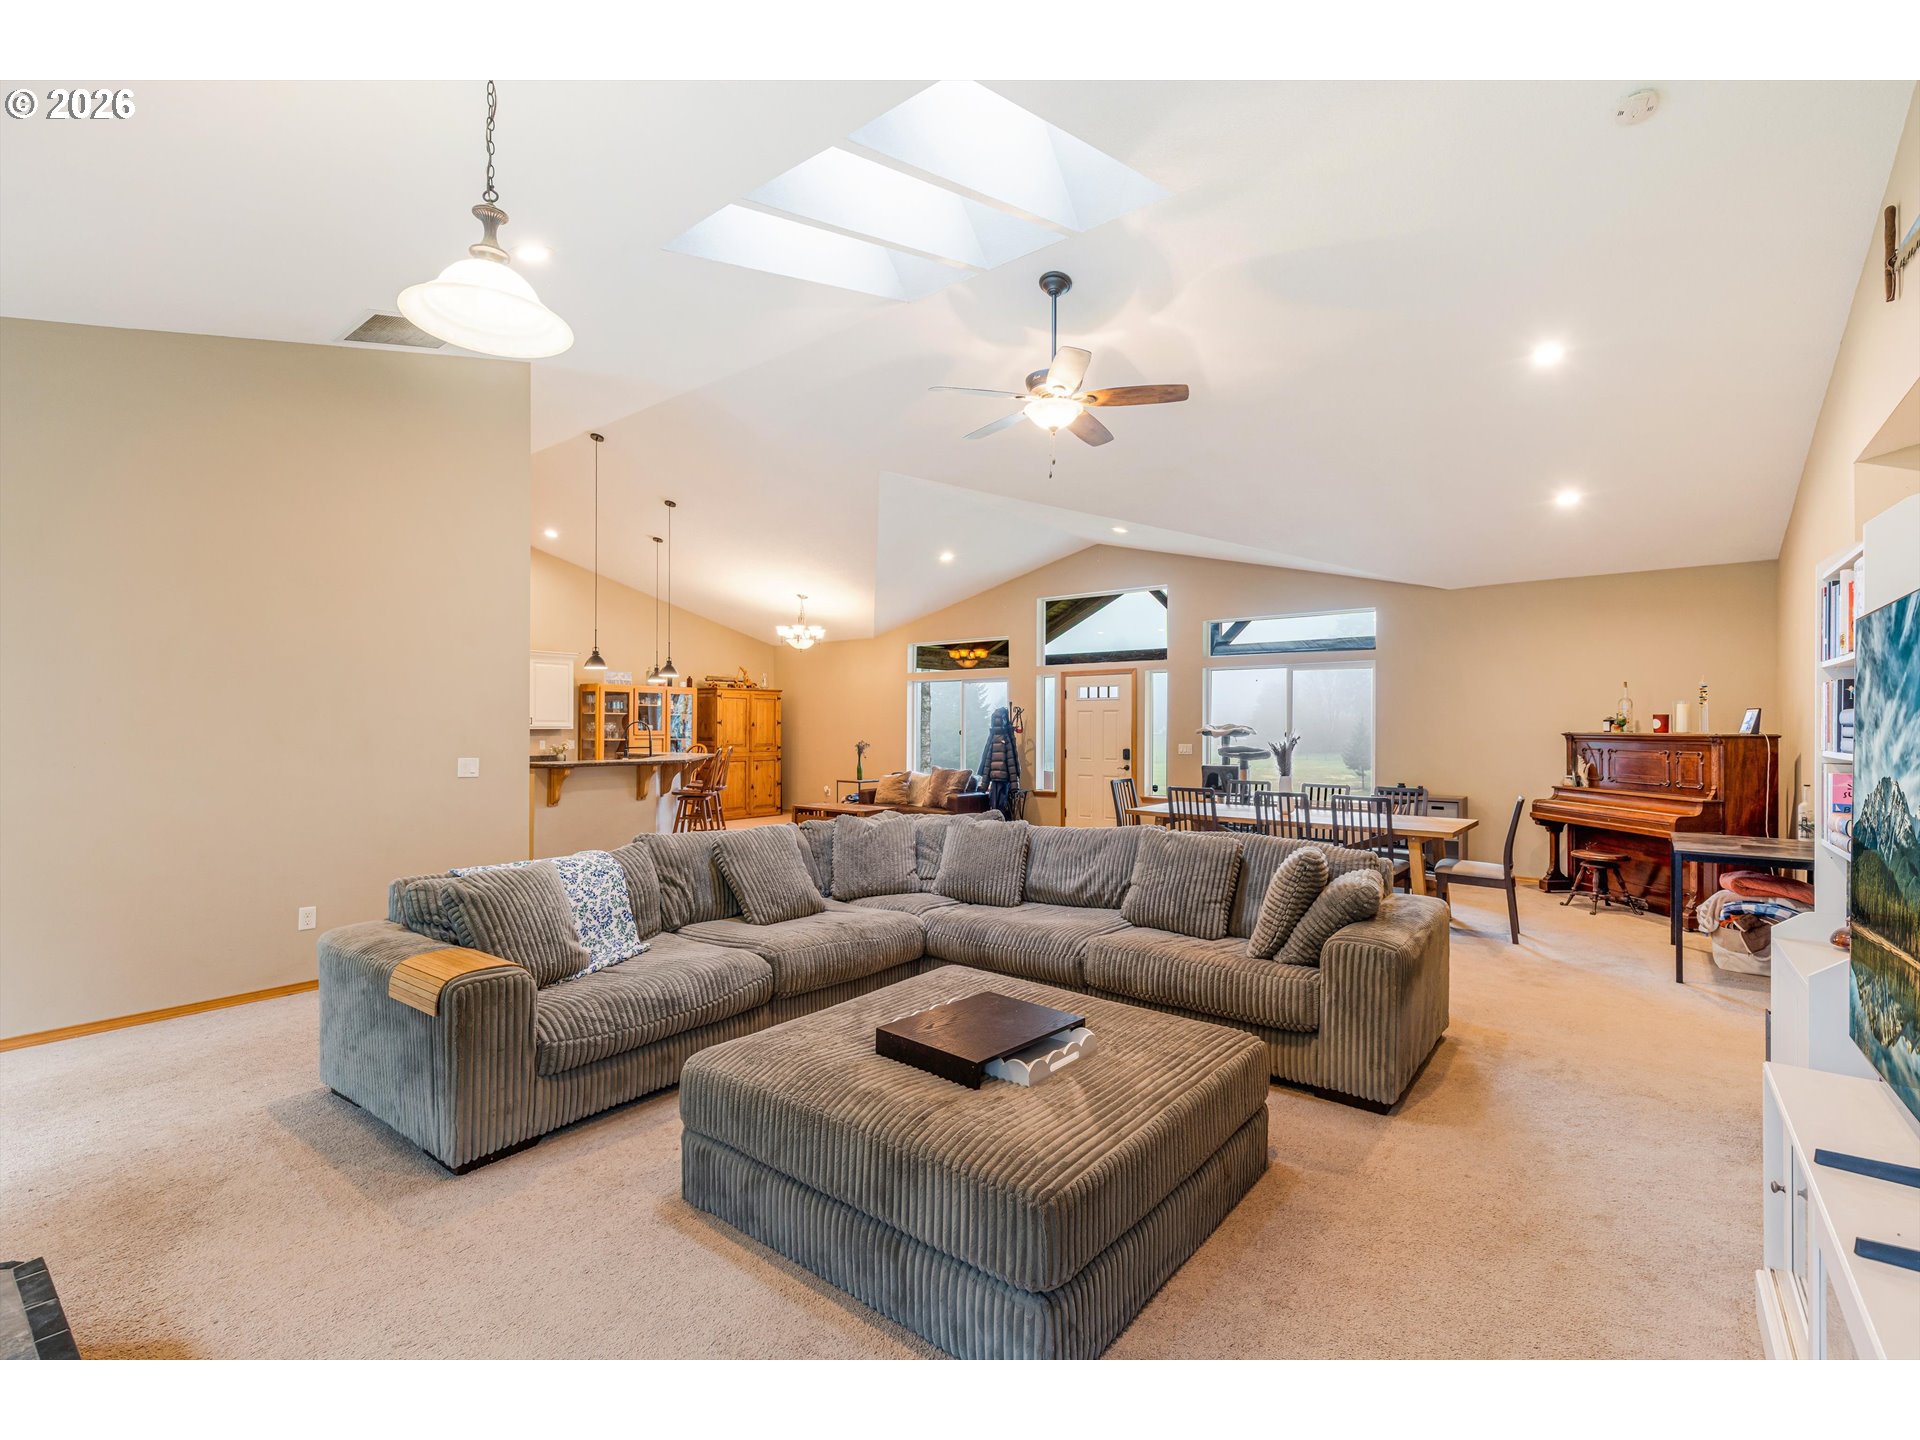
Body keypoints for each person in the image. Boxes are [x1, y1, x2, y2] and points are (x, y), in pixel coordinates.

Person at [977, 706, 1022, 820]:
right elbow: (1012, 764)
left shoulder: (992, 738)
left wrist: (984, 785)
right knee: (1001, 807)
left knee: (994, 806)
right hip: (1003, 780)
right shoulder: (1006, 738)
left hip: (995, 780)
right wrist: (1014, 786)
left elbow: (987, 764)